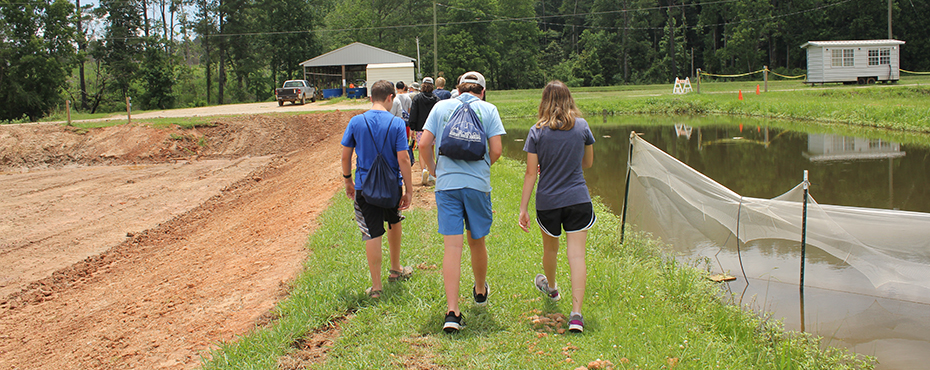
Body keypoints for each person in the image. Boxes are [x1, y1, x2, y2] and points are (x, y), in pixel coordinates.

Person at [419, 71, 506, 332]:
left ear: (458, 89)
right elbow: (498, 150)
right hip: (477, 186)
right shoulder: (489, 109)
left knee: (452, 248)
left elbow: (424, 145)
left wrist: (436, 171)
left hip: (447, 186)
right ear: (482, 91)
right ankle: (480, 291)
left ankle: (452, 312)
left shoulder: (440, 106)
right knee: (476, 240)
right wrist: (482, 167)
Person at [517, 80, 595, 333]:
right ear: (569, 99)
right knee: (577, 256)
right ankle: (576, 314)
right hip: (578, 199)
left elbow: (531, 174)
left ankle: (551, 289)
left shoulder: (536, 131)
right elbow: (588, 163)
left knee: (551, 250)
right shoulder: (582, 126)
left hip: (548, 201)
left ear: (544, 101)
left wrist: (523, 208)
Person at [341, 79, 415, 299]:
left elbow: (345, 155)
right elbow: (403, 158)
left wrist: (347, 180)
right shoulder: (397, 124)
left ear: (371, 97)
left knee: (371, 232)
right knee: (394, 220)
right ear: (391, 97)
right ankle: (395, 269)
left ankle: (376, 287)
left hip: (365, 187)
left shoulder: (356, 121)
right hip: (391, 186)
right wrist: (408, 190)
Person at [408, 77, 441, 184]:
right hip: (433, 129)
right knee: (431, 149)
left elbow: (413, 113)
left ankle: (424, 170)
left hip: (420, 128)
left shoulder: (417, 98)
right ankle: (432, 172)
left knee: (422, 150)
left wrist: (412, 127)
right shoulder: (436, 99)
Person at [390, 81, 415, 165]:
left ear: (396, 88)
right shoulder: (407, 97)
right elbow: (409, 110)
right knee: (405, 142)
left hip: (395, 121)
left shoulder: (394, 98)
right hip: (405, 122)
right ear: (404, 88)